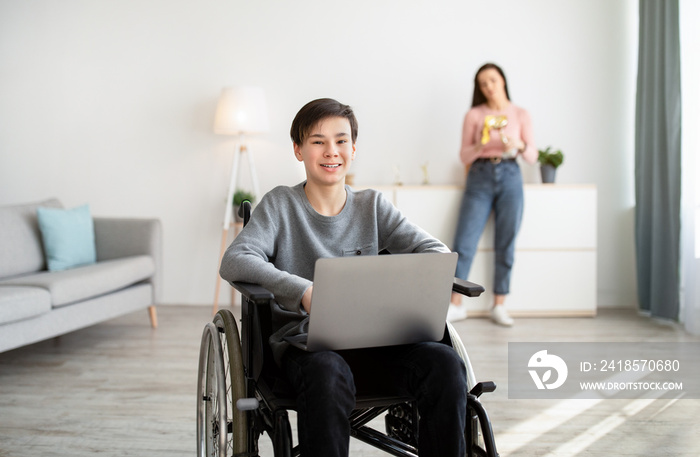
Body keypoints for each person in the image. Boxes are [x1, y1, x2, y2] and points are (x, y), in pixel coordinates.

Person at [219, 98, 468, 457]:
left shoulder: (373, 205)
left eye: (340, 141)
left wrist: (409, 279)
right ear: (298, 150)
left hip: (378, 345)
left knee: (444, 363)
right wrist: (301, 290)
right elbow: (235, 260)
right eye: (318, 141)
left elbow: (435, 251)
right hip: (308, 350)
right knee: (328, 370)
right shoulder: (280, 205)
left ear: (353, 148)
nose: (331, 151)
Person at [448, 63, 537, 326]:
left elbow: (532, 156)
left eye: (492, 80)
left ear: (503, 81)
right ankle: (456, 304)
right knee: (464, 242)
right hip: (479, 176)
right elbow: (464, 155)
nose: (488, 86)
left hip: (511, 175)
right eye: (482, 83)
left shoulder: (521, 114)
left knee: (505, 243)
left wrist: (518, 144)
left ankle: (499, 304)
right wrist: (480, 145)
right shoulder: (474, 115)